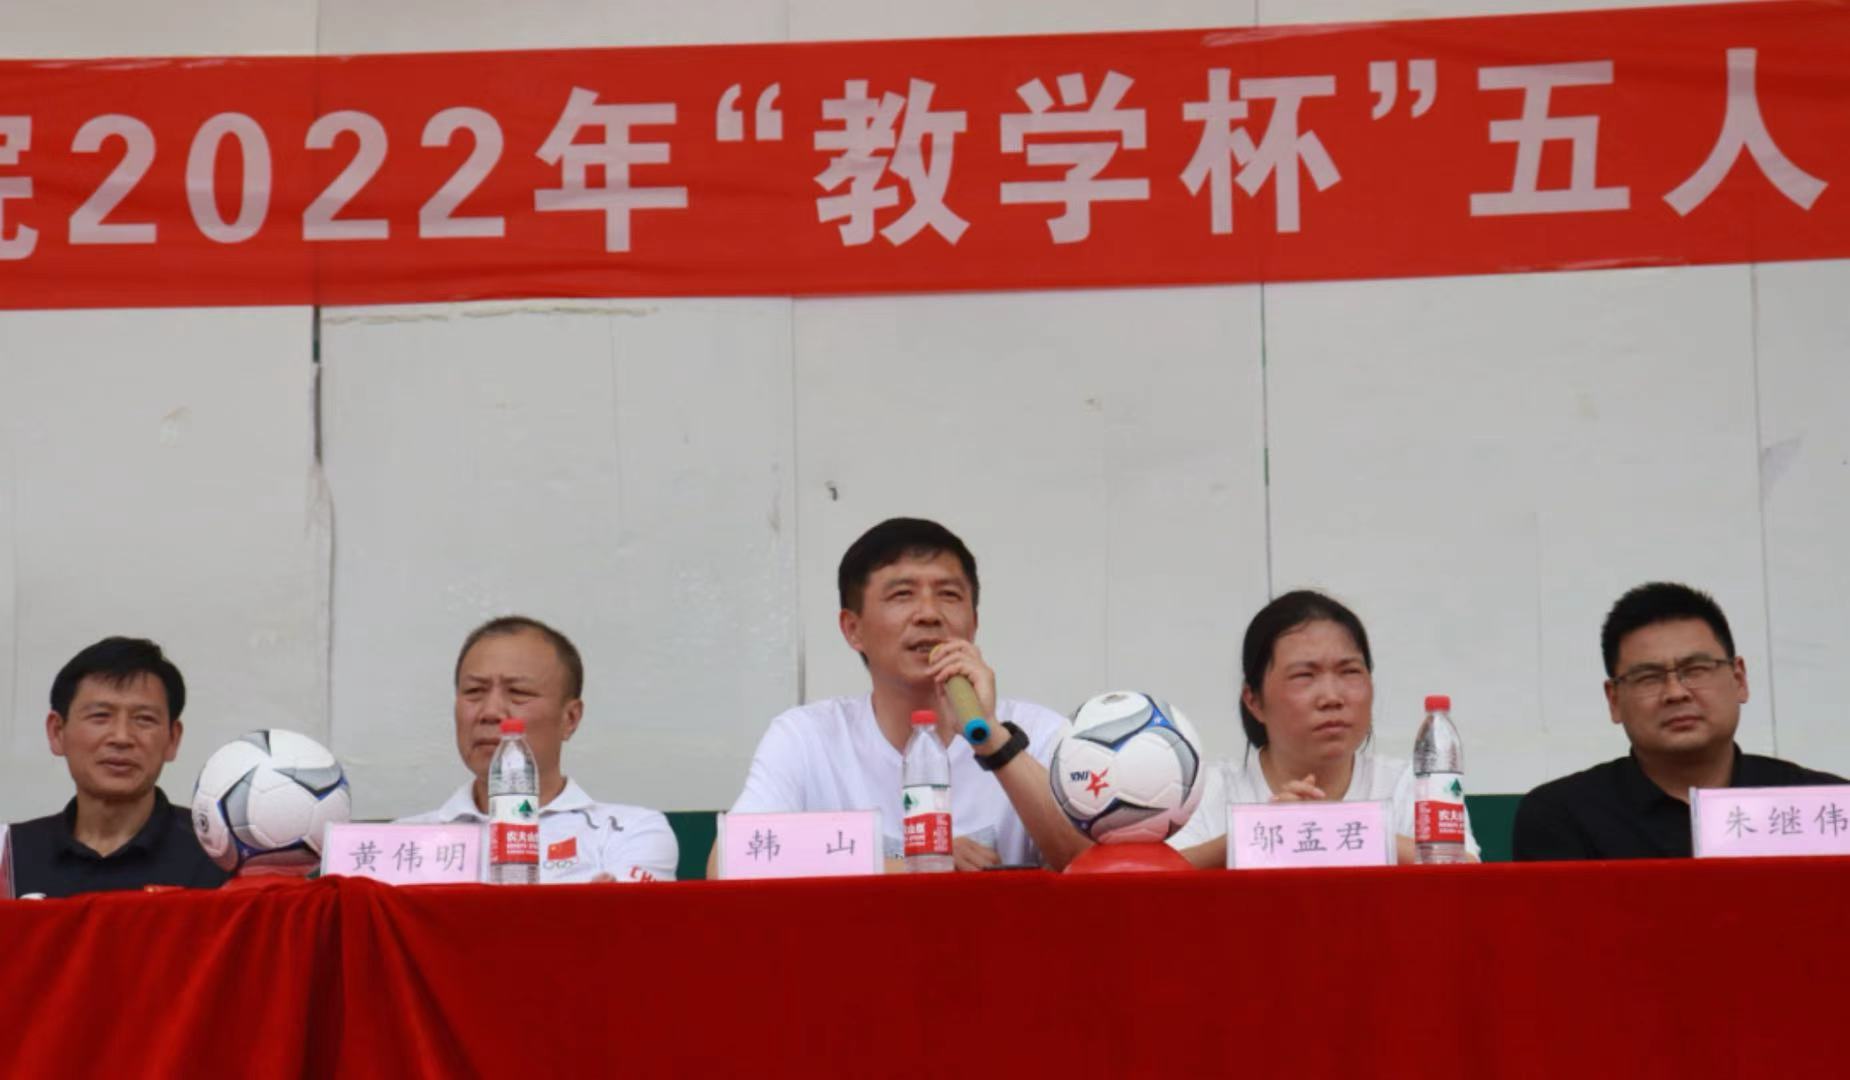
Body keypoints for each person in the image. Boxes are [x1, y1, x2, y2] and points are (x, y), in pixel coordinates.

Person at [712, 517, 1085, 875]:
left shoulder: (1040, 732)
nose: (929, 614)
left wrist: (993, 740)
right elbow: (730, 861)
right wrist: (915, 866)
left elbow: (1093, 865)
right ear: (853, 629)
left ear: (973, 623)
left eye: (949, 595)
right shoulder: (807, 738)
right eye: (902, 595)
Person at [1513, 582, 1844, 860]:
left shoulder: (1826, 805)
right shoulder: (1563, 816)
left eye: (1696, 670)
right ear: (1614, 700)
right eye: (1648, 677)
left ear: (1739, 679)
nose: (1675, 693)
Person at [1170, 590, 1479, 867]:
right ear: (1254, 700)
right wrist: (1261, 831)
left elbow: (1467, 876)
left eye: (1350, 672)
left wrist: (1340, 825)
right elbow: (1155, 880)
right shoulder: (1203, 792)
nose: (1332, 697)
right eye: (1304, 676)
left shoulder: (1409, 785)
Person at [402, 615, 678, 883]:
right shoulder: (403, 842)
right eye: (474, 691)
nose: (490, 712)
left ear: (570, 718)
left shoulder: (626, 833)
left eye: (519, 693)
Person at [8, 637, 226, 898]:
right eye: (100, 716)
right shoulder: (10, 858)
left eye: (144, 719)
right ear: (57, 732)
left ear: (172, 739)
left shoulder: (220, 854)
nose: (122, 737)